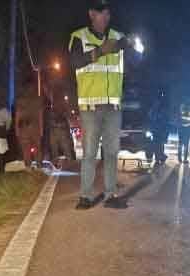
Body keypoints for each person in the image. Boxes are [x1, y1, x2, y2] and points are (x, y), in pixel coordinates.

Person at [69, 1, 137, 209]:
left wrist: (133, 46)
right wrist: (98, 52)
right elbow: (74, 62)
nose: (105, 17)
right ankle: (86, 196)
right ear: (91, 14)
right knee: (89, 153)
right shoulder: (79, 37)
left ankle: (110, 195)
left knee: (111, 152)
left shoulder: (118, 37)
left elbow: (133, 62)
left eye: (108, 13)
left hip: (113, 107)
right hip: (90, 107)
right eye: (101, 13)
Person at [15, 78, 45, 168]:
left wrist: (17, 130)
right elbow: (40, 116)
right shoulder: (38, 100)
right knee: (37, 149)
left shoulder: (20, 100)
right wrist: (41, 130)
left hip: (23, 128)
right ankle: (39, 167)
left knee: (26, 150)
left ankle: (28, 168)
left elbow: (18, 115)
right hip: (35, 127)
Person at [48, 100, 77, 168]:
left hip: (59, 131)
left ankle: (69, 163)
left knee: (63, 148)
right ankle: (68, 163)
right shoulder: (54, 113)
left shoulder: (59, 113)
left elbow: (65, 122)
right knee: (58, 149)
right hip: (57, 131)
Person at [148, 88, 170, 167]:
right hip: (159, 127)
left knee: (158, 143)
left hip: (159, 127)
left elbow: (151, 114)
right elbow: (151, 114)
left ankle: (160, 158)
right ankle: (160, 157)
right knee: (158, 143)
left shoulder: (160, 105)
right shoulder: (160, 104)